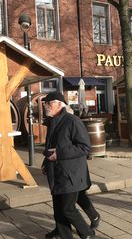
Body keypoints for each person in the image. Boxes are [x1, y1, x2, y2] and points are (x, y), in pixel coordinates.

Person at [41, 92, 98, 239]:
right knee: (58, 209)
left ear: (60, 104)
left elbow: (84, 147)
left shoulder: (72, 121)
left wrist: (59, 154)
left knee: (67, 209)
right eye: (45, 103)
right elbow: (51, 146)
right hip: (56, 172)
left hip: (71, 173)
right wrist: (45, 162)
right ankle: (63, 234)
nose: (46, 106)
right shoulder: (52, 122)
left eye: (49, 103)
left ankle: (87, 234)